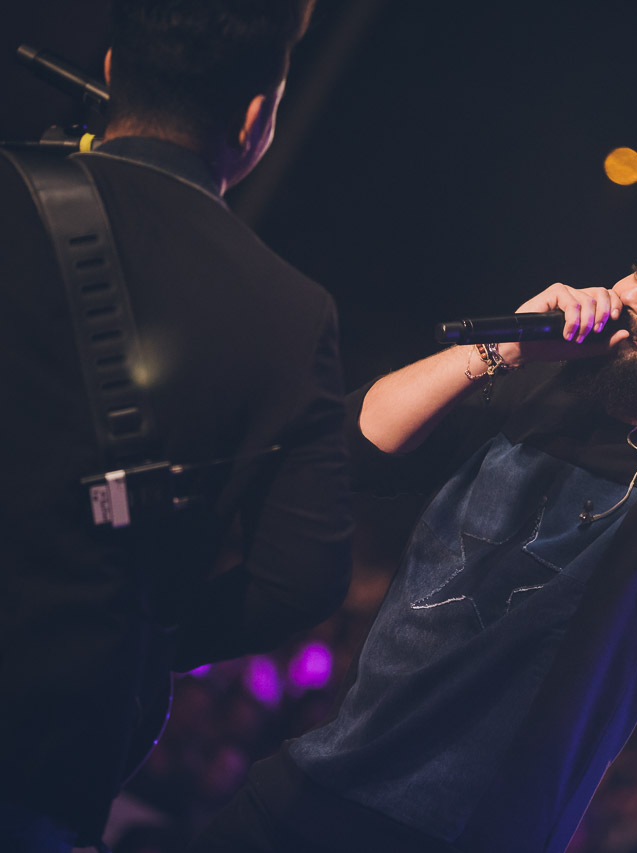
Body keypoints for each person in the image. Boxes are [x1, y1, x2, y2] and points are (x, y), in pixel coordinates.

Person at [192, 199, 637, 853]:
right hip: (306, 788)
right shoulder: (541, 390)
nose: (632, 298)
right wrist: (501, 349)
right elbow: (347, 448)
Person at [0, 1, 352, 850]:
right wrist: (136, 632)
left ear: (111, 69)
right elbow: (300, 578)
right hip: (43, 751)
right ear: (255, 118)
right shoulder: (292, 314)